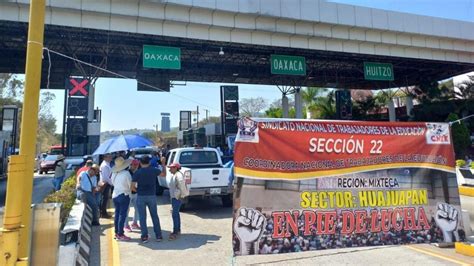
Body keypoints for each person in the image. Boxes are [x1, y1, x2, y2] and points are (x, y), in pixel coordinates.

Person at [132, 156, 164, 243]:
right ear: (149, 162)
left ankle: (144, 236)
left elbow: (132, 187)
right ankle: (158, 235)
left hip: (141, 196)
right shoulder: (154, 170)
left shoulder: (138, 172)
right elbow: (163, 175)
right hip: (152, 196)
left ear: (140, 163)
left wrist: (138, 191)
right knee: (154, 216)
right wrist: (163, 164)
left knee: (142, 217)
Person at [111, 157, 133, 241]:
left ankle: (117, 232)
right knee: (122, 215)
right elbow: (130, 185)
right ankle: (120, 233)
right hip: (124, 195)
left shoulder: (114, 173)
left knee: (117, 214)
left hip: (115, 195)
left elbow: (113, 183)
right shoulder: (126, 173)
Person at [167, 162, 187, 240]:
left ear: (176, 168)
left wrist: (181, 195)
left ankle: (175, 232)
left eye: (171, 168)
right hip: (175, 197)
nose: (170, 169)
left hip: (176, 198)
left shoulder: (178, 175)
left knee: (174, 214)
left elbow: (182, 186)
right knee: (176, 214)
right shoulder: (176, 175)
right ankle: (177, 230)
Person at [125, 159, 140, 231]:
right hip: (128, 193)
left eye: (137, 165)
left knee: (137, 208)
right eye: (134, 165)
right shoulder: (127, 173)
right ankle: (126, 225)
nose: (136, 166)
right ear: (130, 165)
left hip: (135, 193)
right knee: (127, 210)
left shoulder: (137, 172)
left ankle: (134, 223)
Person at [100, 154, 113, 218]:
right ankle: (103, 213)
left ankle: (103, 212)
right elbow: (106, 177)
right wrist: (112, 183)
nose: (111, 158)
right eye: (109, 156)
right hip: (105, 184)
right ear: (105, 157)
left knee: (106, 199)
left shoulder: (107, 164)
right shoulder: (105, 165)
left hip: (107, 183)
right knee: (104, 199)